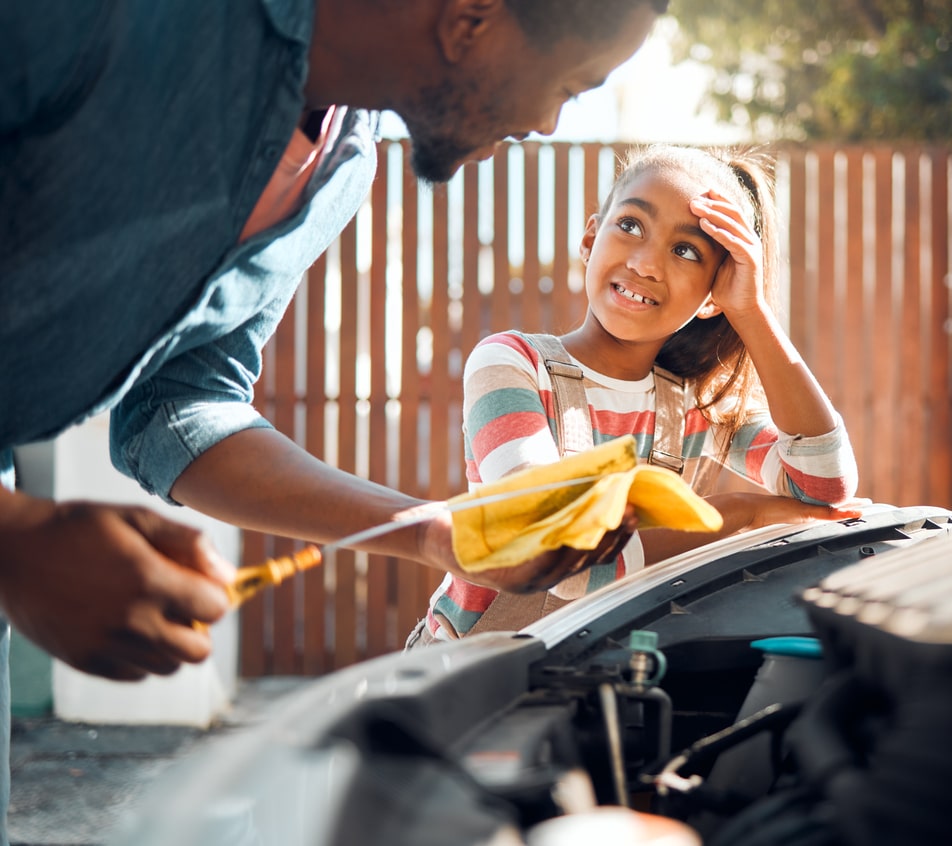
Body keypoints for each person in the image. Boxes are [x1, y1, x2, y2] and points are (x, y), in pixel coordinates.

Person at [0, 1, 665, 840]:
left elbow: (180, 404)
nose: (546, 123)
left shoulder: (342, 169)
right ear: (471, 19)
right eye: (571, 84)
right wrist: (14, 537)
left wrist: (433, 531)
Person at [412, 144, 860, 644]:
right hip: (466, 676)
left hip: (609, 675)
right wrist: (741, 513)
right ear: (589, 237)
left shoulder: (694, 406)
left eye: (686, 250)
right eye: (630, 225)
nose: (646, 264)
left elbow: (823, 488)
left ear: (715, 294)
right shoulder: (512, 364)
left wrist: (751, 311)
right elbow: (550, 549)